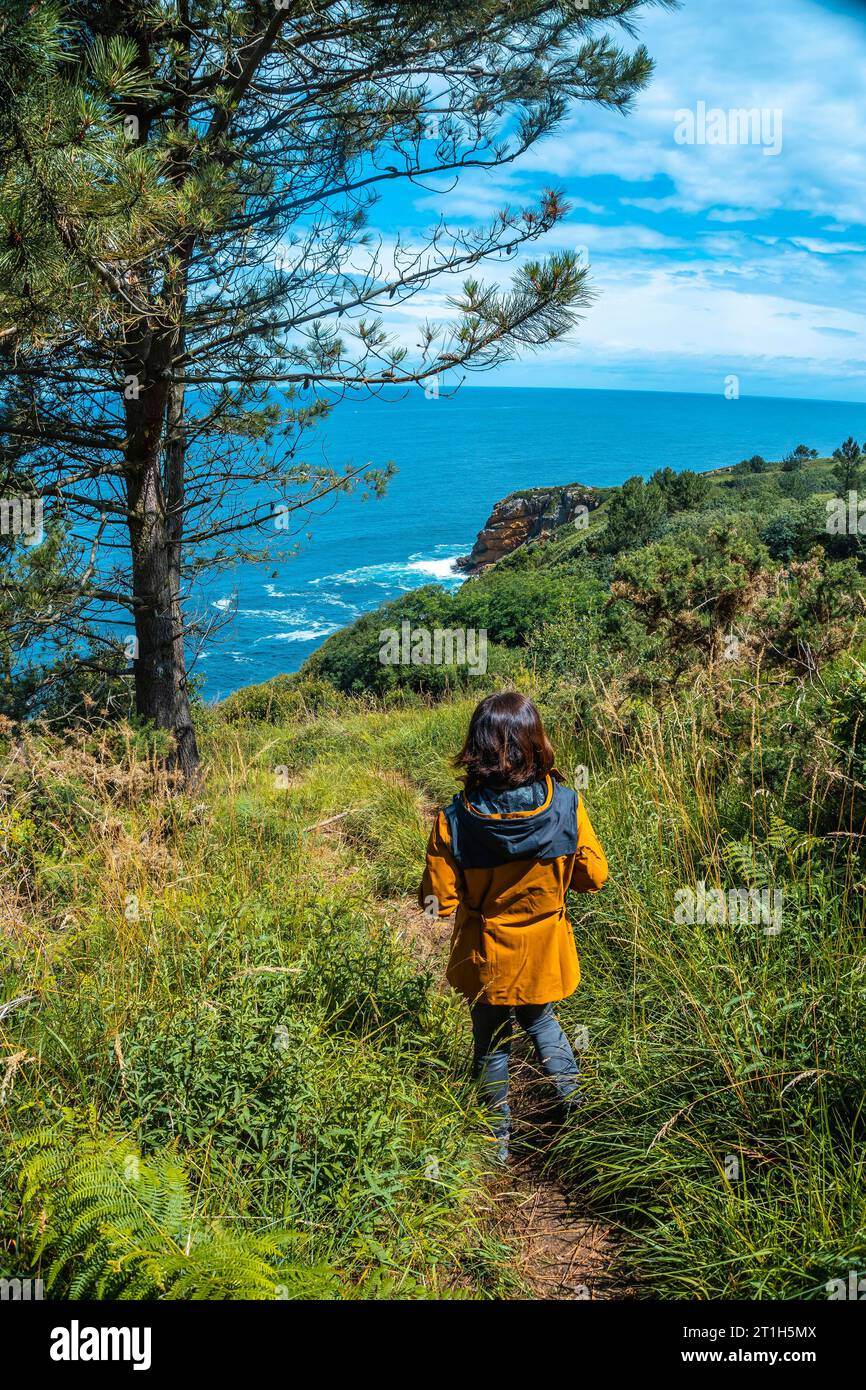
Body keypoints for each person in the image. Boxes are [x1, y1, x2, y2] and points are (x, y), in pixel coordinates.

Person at [418, 691, 608, 1162]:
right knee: (542, 1021)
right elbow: (595, 877)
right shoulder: (566, 805)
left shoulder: (454, 821)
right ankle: (576, 1111)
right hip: (545, 949)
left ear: (477, 746)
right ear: (534, 741)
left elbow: (438, 902)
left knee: (489, 1042)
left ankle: (495, 1144)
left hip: (486, 955)